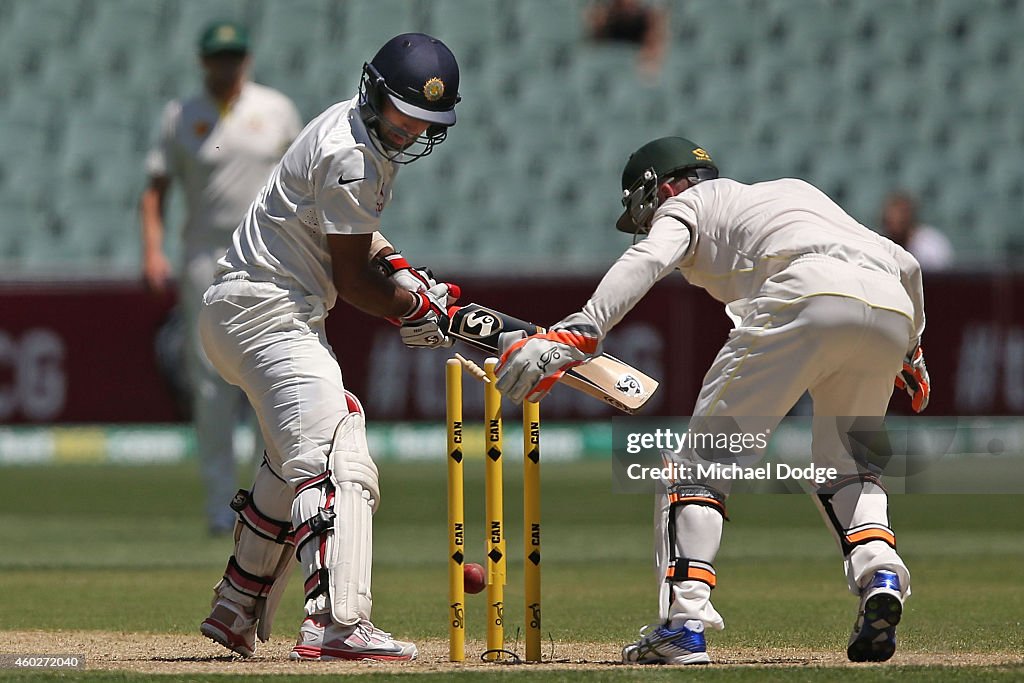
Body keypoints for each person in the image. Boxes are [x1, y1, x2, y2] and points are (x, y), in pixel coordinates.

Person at [495, 137, 930, 665]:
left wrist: (581, 331)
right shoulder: (792, 194)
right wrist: (912, 349)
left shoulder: (689, 204)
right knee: (850, 469)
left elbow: (649, 257)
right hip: (891, 307)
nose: (647, 216)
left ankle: (684, 625)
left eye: (644, 204)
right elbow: (906, 263)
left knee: (698, 467)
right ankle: (880, 572)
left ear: (664, 184)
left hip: (804, 292)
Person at [197, 33, 462, 662]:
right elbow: (351, 280)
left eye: (424, 123)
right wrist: (413, 307)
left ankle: (238, 603)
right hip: (269, 312)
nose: (407, 132)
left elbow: (354, 236)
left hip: (245, 310)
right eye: (402, 115)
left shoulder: (352, 130)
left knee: (296, 453)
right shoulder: (354, 155)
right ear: (376, 94)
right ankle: (337, 621)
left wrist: (401, 270)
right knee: (337, 447)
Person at [140, 20, 303, 535]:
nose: (226, 66)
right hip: (203, 256)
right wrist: (152, 251)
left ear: (246, 60)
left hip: (267, 254)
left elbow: (306, 183)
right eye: (217, 57)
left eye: (234, 56)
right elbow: (154, 190)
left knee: (266, 375)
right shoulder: (180, 115)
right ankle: (218, 504)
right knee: (210, 383)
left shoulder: (275, 110)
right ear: (203, 61)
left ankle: (267, 503)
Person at [586, 0, 668, 79]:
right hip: (607, 71)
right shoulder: (605, 14)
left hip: (638, 71)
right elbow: (594, 47)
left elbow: (654, 50)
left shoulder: (650, 16)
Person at [880, 191, 953, 270]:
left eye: (901, 220)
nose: (894, 224)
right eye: (890, 222)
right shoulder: (878, 244)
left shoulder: (931, 245)